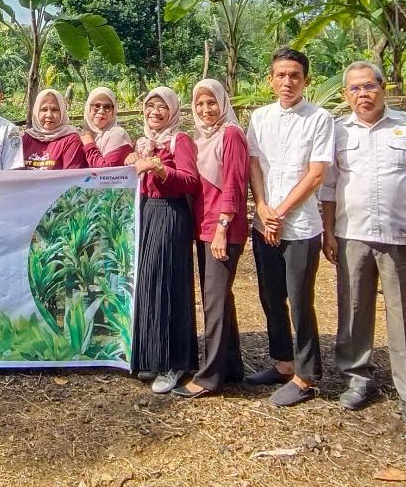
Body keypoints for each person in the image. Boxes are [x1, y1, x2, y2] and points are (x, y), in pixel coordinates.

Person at [321, 61, 406, 430]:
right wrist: (328, 232)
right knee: (354, 307)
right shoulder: (339, 131)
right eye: (355, 89)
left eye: (369, 86)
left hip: (402, 235)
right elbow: (329, 187)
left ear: (383, 87)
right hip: (353, 233)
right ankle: (357, 376)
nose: (363, 94)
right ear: (346, 95)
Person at [245, 47, 335, 407]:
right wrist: (263, 207)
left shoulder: (320, 118)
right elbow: (254, 166)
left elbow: (316, 175)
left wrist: (279, 212)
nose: (287, 82)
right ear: (270, 80)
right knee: (271, 297)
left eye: (294, 76)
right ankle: (282, 363)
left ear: (306, 80)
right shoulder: (260, 118)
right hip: (264, 222)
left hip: (300, 227)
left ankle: (307, 375)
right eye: (281, 75)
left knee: (300, 299)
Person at [173, 79, 249, 399]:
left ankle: (210, 377)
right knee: (220, 299)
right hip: (205, 228)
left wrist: (221, 227)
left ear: (223, 103)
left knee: (214, 303)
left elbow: (234, 184)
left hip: (222, 229)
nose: (206, 110)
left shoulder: (230, 134)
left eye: (211, 103)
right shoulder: (202, 139)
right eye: (200, 103)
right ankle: (232, 366)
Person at [126, 86, 199, 394]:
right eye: (150, 106)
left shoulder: (179, 140)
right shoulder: (144, 142)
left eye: (162, 108)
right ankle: (152, 357)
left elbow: (191, 181)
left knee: (167, 283)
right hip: (146, 212)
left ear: (173, 111)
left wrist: (159, 167)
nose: (154, 112)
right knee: (148, 283)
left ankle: (174, 362)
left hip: (170, 213)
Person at [21, 88, 86, 170]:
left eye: (54, 110)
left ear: (62, 112)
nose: (49, 115)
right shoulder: (27, 138)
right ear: (36, 112)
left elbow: (71, 178)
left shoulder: (71, 139)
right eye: (44, 110)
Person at [80, 87, 135, 167]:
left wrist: (89, 145)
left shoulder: (117, 134)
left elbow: (107, 173)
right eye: (96, 106)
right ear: (88, 108)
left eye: (107, 107)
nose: (101, 111)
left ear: (114, 111)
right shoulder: (83, 134)